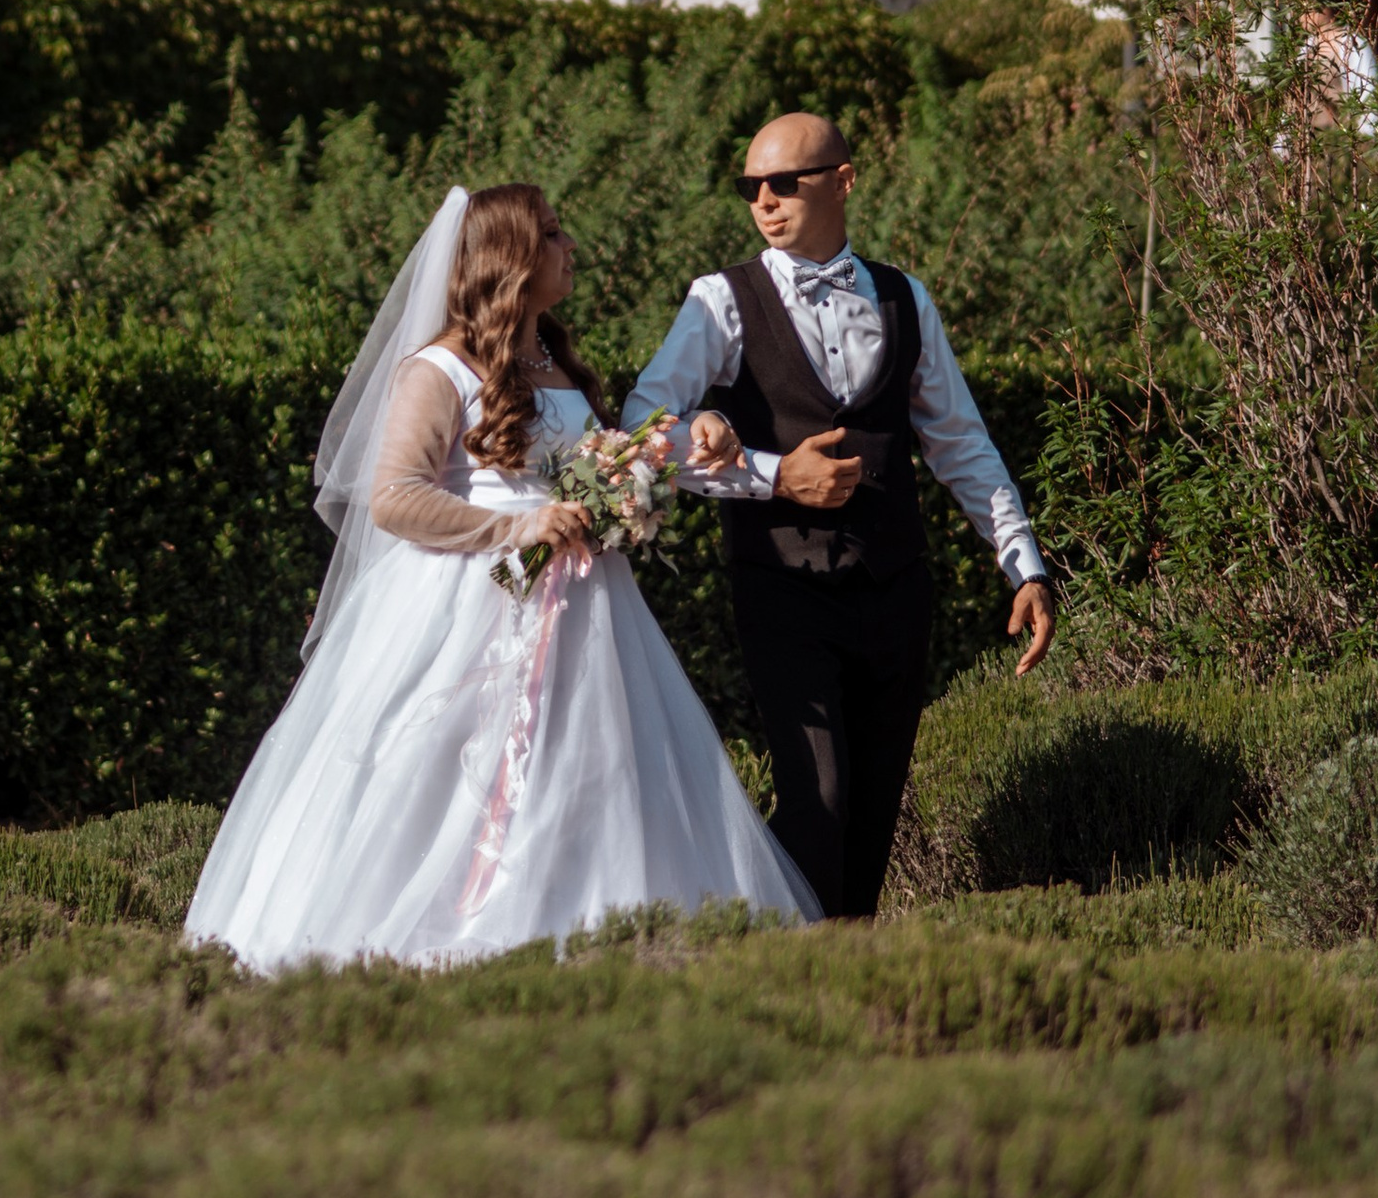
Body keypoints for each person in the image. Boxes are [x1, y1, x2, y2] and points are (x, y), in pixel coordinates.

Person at [185, 182, 818, 970]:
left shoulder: (556, 361)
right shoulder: (439, 369)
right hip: (467, 609)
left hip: (589, 612)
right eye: (551, 234)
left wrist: (694, 435)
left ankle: (590, 937)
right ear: (509, 257)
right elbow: (394, 497)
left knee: (596, 774)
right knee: (443, 780)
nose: (569, 246)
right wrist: (517, 528)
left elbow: (608, 459)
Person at [625, 112, 1056, 920]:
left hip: (896, 589)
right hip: (783, 589)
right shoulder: (721, 300)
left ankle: (846, 977)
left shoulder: (904, 297)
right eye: (750, 186)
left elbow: (961, 441)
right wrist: (772, 476)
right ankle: (776, 961)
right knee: (817, 799)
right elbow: (643, 429)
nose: (764, 200)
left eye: (784, 183)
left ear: (843, 181)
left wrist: (1022, 564)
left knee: (873, 812)